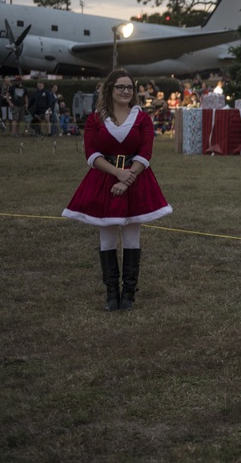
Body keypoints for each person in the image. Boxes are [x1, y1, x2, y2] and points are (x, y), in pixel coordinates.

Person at [61, 69, 173, 311]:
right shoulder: (95, 119)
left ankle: (129, 294)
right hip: (104, 181)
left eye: (129, 87)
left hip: (136, 180)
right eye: (120, 87)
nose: (125, 91)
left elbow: (145, 152)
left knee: (132, 238)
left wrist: (127, 178)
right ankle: (112, 293)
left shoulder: (142, 118)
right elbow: (91, 154)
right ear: (110, 89)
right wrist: (117, 174)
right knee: (108, 237)